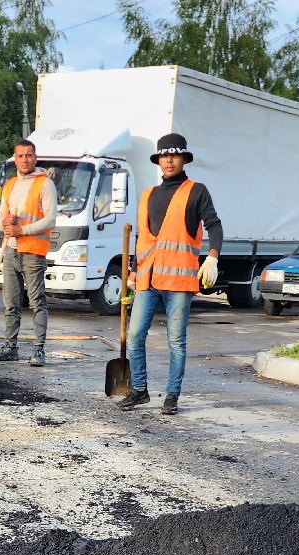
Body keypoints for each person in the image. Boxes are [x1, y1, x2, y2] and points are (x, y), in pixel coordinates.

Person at [116, 132, 223, 416]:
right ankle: (139, 390)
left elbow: (214, 224)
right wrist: (132, 272)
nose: (169, 161)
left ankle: (172, 396)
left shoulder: (196, 191)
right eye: (164, 156)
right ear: (159, 160)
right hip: (147, 280)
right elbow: (144, 240)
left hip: (178, 282)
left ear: (184, 158)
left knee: (175, 340)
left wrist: (212, 256)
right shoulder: (148, 195)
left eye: (174, 155)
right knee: (136, 334)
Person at [0, 139, 57, 366]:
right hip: (10, 251)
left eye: (29, 155)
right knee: (11, 302)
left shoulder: (44, 184)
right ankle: (11, 346)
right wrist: (4, 223)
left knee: (37, 302)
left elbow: (50, 218)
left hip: (33, 251)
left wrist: (22, 229)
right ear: (15, 158)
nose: (25, 159)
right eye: (20, 156)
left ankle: (39, 349)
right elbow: (1, 218)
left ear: (35, 157)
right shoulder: (9, 184)